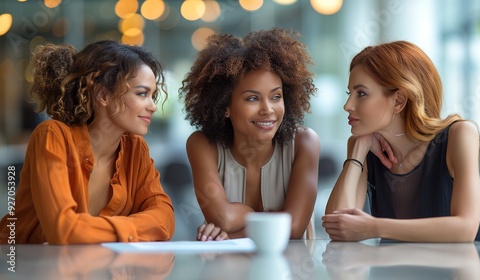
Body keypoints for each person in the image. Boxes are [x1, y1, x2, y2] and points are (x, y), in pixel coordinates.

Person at [0, 40, 175, 244]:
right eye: (142, 94)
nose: (153, 107)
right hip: (17, 267)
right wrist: (134, 228)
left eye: (153, 95)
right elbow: (63, 229)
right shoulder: (52, 135)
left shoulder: (136, 148)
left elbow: (165, 219)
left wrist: (93, 231)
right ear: (103, 95)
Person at [322, 40, 480, 244]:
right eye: (349, 93)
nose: (347, 105)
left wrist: (373, 227)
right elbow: (337, 226)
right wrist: (358, 149)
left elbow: (464, 229)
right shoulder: (363, 147)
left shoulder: (460, 135)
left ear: (398, 101)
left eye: (361, 93)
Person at [179, 28, 320, 241]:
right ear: (225, 105)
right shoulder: (203, 145)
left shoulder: (304, 143)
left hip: (292, 270)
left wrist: (235, 231)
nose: (268, 109)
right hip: (229, 270)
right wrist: (267, 218)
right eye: (252, 99)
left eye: (276, 97)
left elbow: (294, 228)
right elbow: (223, 218)